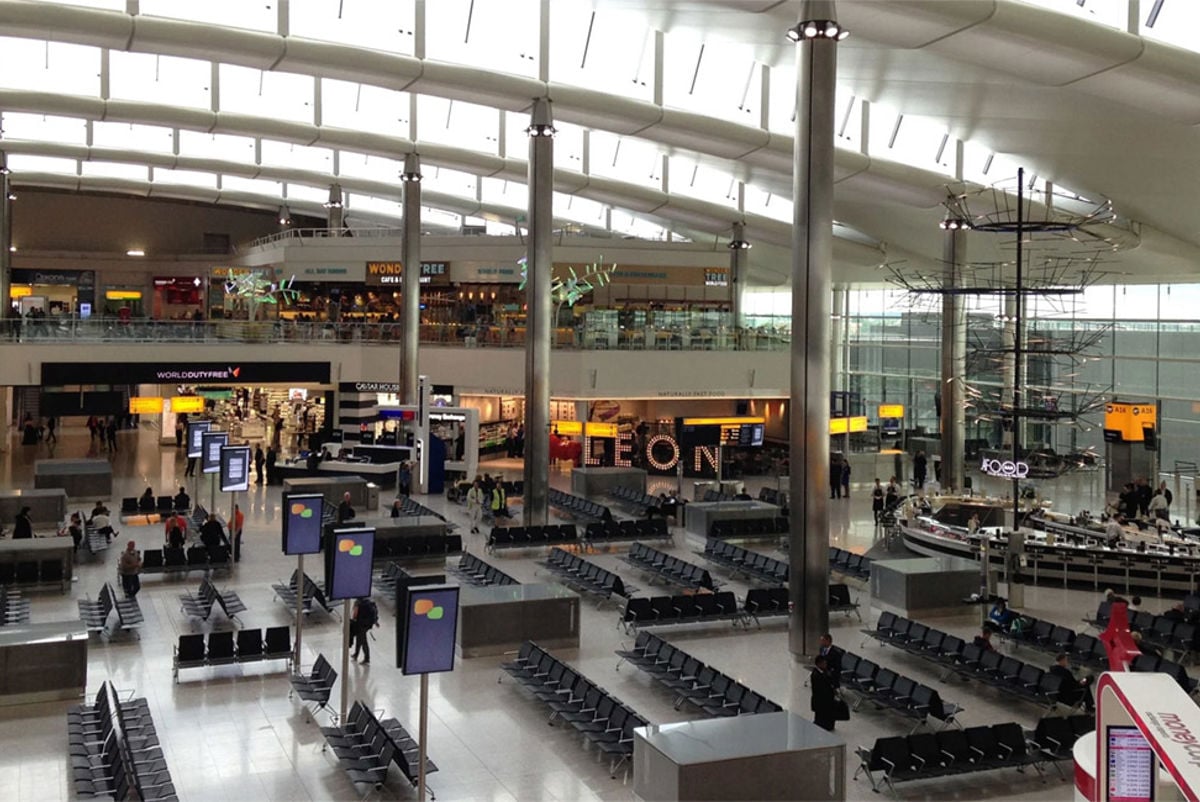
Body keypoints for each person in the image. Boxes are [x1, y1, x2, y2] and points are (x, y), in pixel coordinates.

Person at [809, 654, 839, 732]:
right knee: (821, 716)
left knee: (828, 714)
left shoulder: (825, 671)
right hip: (821, 699)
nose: (825, 665)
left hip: (828, 698)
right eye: (824, 663)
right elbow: (821, 688)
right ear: (819, 664)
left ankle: (829, 726)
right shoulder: (816, 675)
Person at [350, 596, 379, 664]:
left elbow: (355, 615)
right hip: (367, 624)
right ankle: (356, 654)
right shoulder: (368, 602)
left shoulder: (358, 603)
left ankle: (367, 658)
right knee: (359, 638)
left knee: (363, 641)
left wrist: (353, 620)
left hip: (361, 624)